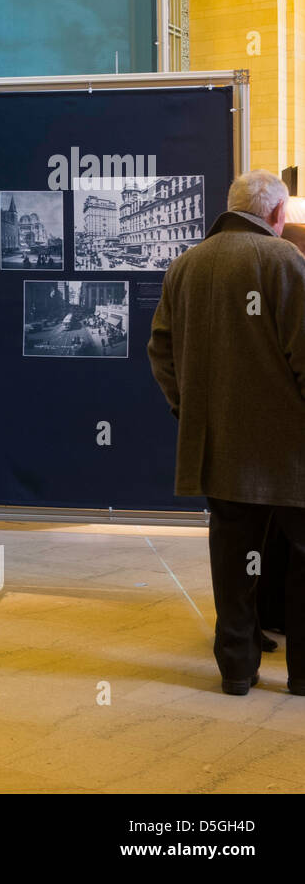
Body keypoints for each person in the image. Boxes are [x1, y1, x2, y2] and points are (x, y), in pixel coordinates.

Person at [148, 170, 305, 696]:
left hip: (220, 448)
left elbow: (161, 352)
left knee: (233, 559)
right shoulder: (286, 261)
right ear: (277, 215)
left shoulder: (186, 265)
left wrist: (189, 410)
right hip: (291, 452)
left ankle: (237, 670)